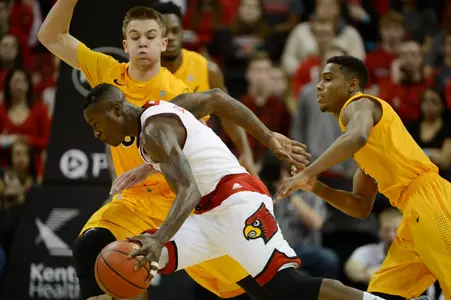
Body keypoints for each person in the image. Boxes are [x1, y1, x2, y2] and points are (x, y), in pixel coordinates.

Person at [83, 83, 418, 300]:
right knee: (138, 256)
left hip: (236, 203)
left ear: (116, 111)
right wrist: (268, 137)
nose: (97, 134)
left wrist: (159, 237)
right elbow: (217, 98)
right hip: (210, 214)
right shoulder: (160, 112)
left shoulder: (154, 132)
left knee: (285, 287)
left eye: (97, 125)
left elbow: (188, 189)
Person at [37, 2, 268, 299]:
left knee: (249, 280)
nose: (142, 42)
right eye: (134, 37)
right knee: (91, 248)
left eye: (149, 35)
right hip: (133, 204)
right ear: (125, 45)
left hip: (180, 202)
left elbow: (197, 149)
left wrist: (147, 166)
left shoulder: (179, 92)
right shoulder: (108, 73)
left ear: (163, 42)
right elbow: (51, 37)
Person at [275, 55, 451, 300]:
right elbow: (360, 206)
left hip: (432, 203)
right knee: (382, 294)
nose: (319, 86)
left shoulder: (360, 104)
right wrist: (316, 187)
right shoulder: (363, 148)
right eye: (319, 80)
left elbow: (357, 136)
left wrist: (308, 171)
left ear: (352, 85)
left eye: (328, 79)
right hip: (413, 213)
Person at [150, 1, 257, 175]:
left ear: (183, 32)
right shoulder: (142, 72)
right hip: (155, 162)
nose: (170, 38)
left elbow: (229, 114)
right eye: (164, 32)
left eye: (175, 31)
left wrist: (245, 151)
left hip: (199, 160)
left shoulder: (206, 69)